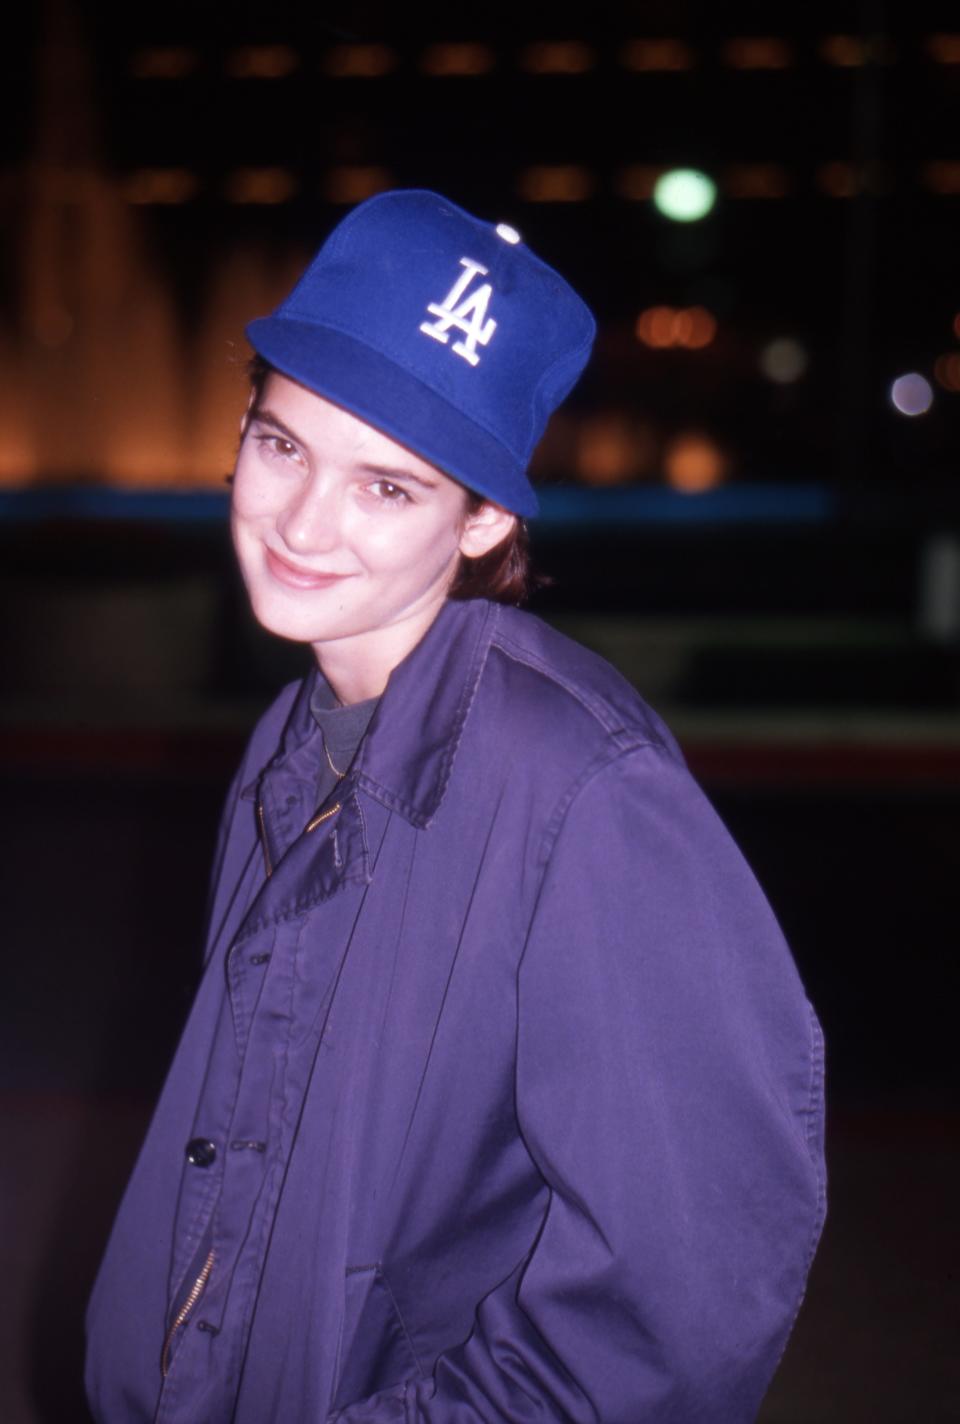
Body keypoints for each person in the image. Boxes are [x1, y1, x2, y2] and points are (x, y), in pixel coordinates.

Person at [85, 190, 825, 1424]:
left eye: (388, 487)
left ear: (484, 517)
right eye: (285, 445)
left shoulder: (584, 788)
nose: (305, 523)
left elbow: (687, 1297)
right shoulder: (292, 733)